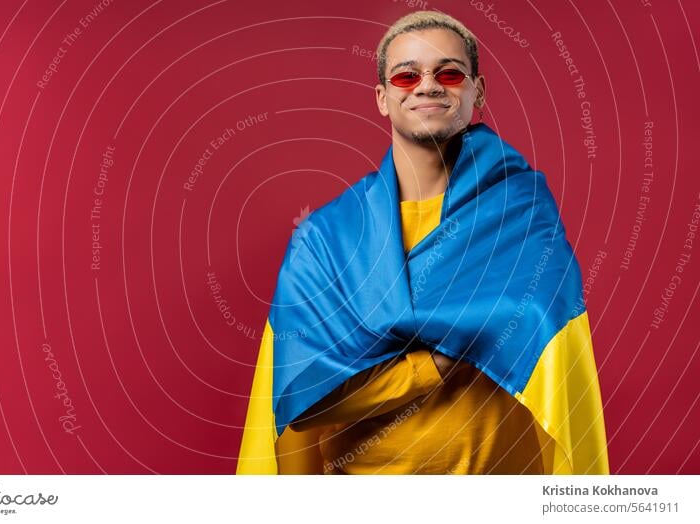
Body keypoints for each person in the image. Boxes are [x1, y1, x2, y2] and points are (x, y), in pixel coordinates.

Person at [237, 10, 608, 474]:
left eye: (449, 73)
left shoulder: (524, 216)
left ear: (479, 90)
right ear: (383, 98)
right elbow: (300, 397)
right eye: (407, 75)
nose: (427, 85)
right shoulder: (326, 240)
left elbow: (553, 355)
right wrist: (435, 362)